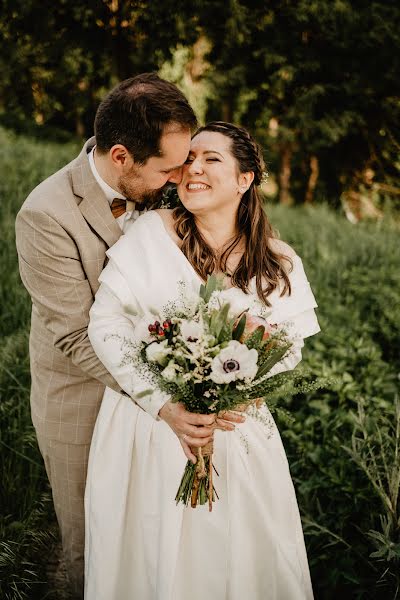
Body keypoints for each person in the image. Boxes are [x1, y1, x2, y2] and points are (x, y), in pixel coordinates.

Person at [15, 74, 241, 599]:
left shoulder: (167, 192)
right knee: (89, 547)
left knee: (150, 541)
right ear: (121, 156)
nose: (179, 179)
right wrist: (162, 401)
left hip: (170, 403)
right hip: (83, 400)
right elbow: (74, 335)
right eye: (168, 168)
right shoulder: (45, 215)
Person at [85, 121, 320, 599]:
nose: (193, 168)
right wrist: (161, 402)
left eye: (211, 159)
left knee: (239, 559)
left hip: (235, 430)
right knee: (148, 558)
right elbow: (105, 326)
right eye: (188, 159)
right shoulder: (148, 234)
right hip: (147, 428)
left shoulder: (278, 261)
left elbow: (290, 345)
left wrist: (241, 387)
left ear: (245, 179)